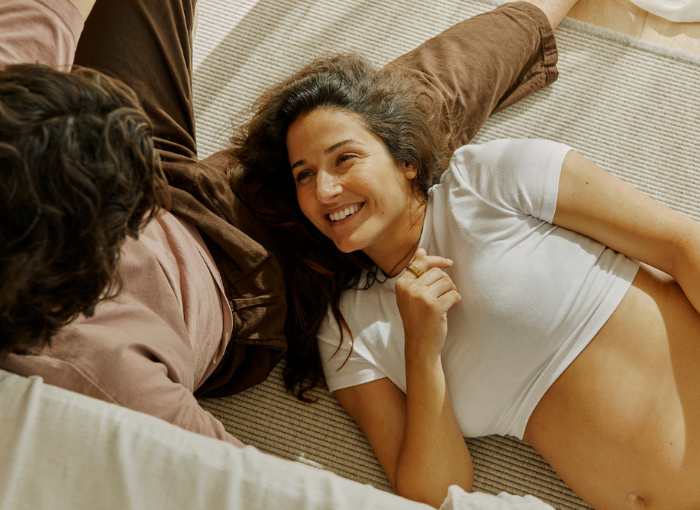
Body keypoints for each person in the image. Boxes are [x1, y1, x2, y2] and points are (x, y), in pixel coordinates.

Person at [0, 0, 574, 447]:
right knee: (391, 122)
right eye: (129, 220)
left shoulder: (21, 124)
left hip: (115, 172)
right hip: (240, 262)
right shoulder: (103, 380)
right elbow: (246, 489)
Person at [230, 32, 700, 510]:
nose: (325, 189)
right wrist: (421, 348)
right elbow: (436, 496)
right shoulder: (348, 330)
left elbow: (683, 246)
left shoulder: (488, 181)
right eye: (304, 175)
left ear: (405, 160)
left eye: (344, 158)